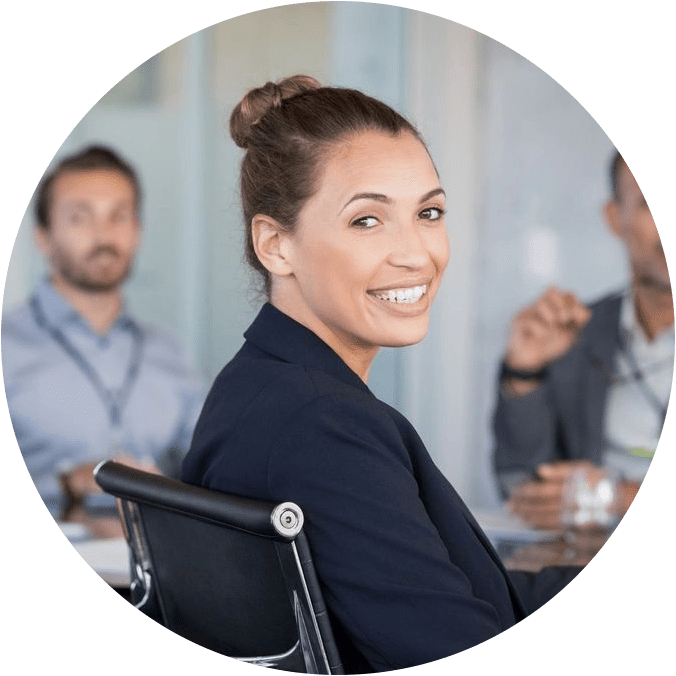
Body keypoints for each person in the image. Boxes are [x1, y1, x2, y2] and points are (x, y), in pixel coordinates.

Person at [182, 75, 580, 672]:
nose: (416, 253)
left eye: (429, 212)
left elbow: (467, 606)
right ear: (276, 245)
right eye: (367, 220)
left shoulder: (264, 384)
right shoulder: (320, 426)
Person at [2, 145, 205, 507]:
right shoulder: (7, 346)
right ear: (42, 237)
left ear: (138, 232)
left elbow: (206, 466)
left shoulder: (169, 351)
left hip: (157, 553)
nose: (104, 235)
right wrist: (65, 483)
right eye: (81, 218)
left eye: (119, 216)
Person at [492, 151, 673, 529]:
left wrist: (614, 496)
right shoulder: (575, 332)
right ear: (614, 218)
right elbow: (519, 487)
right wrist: (525, 373)